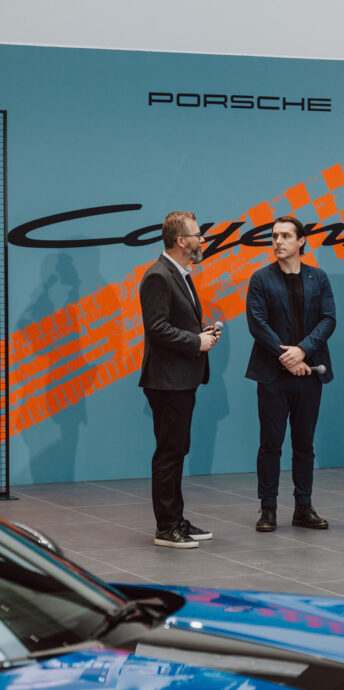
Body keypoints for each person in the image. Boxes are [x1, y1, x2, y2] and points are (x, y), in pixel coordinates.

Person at [245, 215, 336, 532]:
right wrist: (287, 355)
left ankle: (303, 507)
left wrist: (303, 351)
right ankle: (268, 509)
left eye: (285, 236)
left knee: (305, 445)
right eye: (274, 236)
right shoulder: (260, 279)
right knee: (270, 444)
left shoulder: (318, 278)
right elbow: (257, 324)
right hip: (273, 374)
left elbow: (328, 320)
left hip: (310, 371)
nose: (278, 241)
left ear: (301, 241)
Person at [139, 211, 220, 549]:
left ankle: (177, 520)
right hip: (167, 380)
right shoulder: (158, 276)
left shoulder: (179, 273)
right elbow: (156, 329)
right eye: (197, 235)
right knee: (170, 453)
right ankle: (166, 527)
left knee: (176, 449)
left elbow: (171, 323)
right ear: (181, 241)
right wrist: (195, 342)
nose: (202, 240)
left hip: (180, 379)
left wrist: (199, 333)